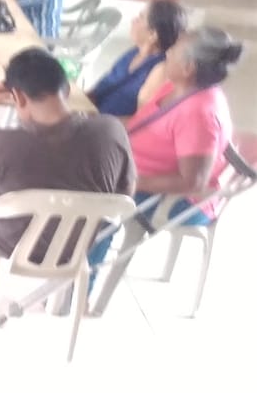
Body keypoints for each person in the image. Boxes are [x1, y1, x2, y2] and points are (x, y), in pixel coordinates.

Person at [89, 27, 244, 305]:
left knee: (100, 200)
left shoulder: (201, 113)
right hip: (141, 171)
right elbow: (140, 124)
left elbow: (193, 182)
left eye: (175, 50)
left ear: (188, 67)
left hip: (179, 201)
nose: (168, 52)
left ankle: (75, 290)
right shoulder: (176, 87)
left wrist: (131, 181)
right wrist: (97, 122)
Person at [0, 47, 135, 261]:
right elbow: (125, 193)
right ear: (67, 90)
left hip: (12, 246)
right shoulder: (111, 131)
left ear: (18, 97)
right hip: (75, 250)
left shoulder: (3, 144)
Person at [87, 0, 187, 118]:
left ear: (153, 35)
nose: (133, 20)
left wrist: (94, 120)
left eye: (140, 17)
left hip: (109, 126)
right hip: (92, 115)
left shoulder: (161, 69)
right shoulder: (134, 52)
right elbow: (99, 91)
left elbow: (141, 120)